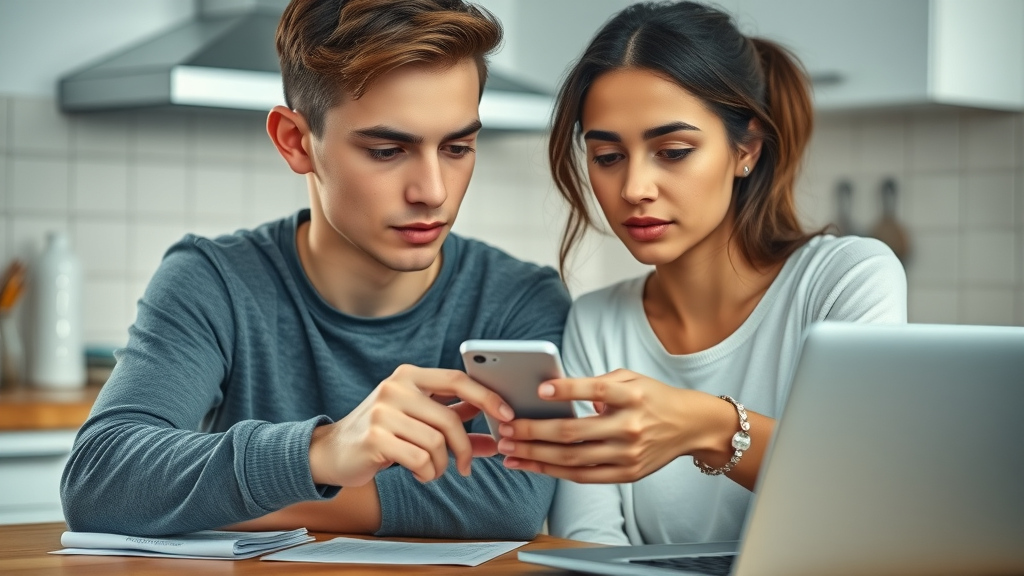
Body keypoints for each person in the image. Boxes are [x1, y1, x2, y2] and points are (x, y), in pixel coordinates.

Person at [60, 0, 570, 539]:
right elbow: (102, 481)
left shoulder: (520, 299)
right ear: (295, 141)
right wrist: (323, 452)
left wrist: (234, 493)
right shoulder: (212, 280)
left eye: (458, 147)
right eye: (386, 150)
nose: (433, 192)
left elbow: (511, 500)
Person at [492, 1, 907, 546]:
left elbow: (871, 499)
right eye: (609, 157)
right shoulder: (596, 324)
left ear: (746, 150)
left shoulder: (845, 280)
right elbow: (592, 542)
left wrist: (708, 427)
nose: (635, 187)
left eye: (673, 151)